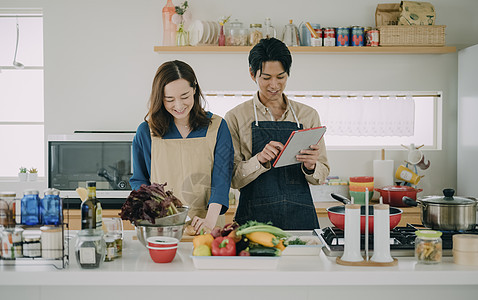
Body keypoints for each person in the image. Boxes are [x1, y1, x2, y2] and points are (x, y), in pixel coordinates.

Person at [224, 38, 330, 230]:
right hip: (254, 223)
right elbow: (232, 179)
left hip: (301, 219)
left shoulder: (308, 115)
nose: (274, 85)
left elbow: (322, 174)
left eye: (280, 77)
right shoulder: (235, 117)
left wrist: (311, 165)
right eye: (266, 78)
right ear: (252, 74)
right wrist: (259, 160)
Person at [130, 60, 234, 233]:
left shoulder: (217, 127)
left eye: (184, 96)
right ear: (160, 98)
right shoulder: (147, 132)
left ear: (194, 89)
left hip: (207, 225)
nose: (178, 106)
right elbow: (140, 181)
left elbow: (221, 179)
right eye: (169, 99)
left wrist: (209, 221)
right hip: (162, 227)